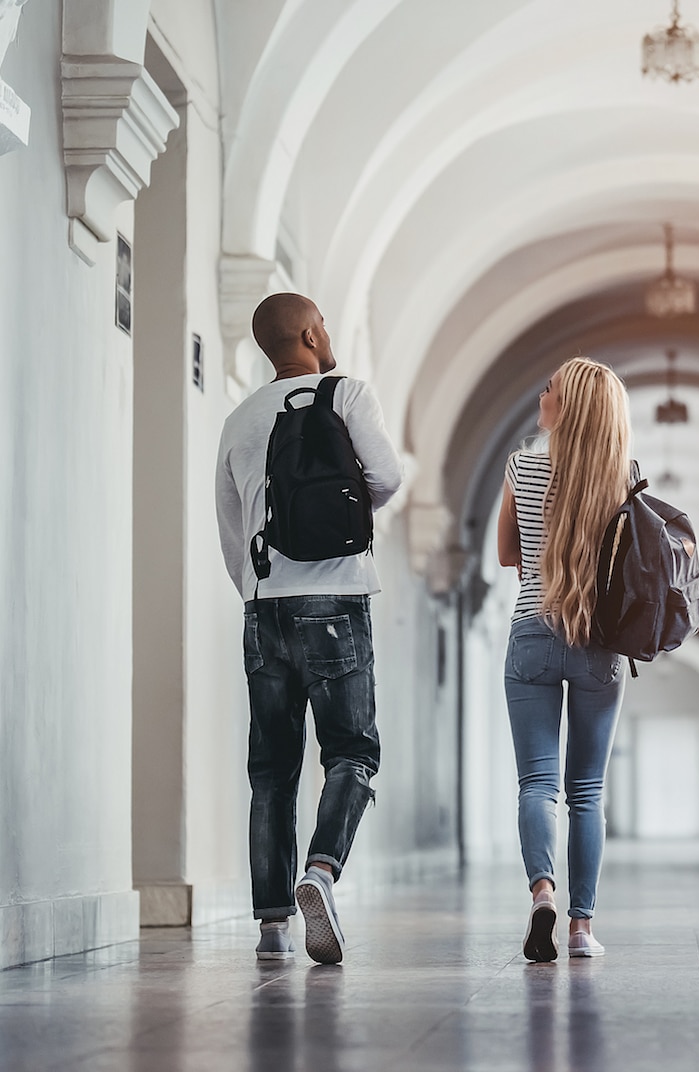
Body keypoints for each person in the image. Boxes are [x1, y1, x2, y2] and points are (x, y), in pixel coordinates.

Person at [215, 293, 403, 964]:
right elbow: (386, 476)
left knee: (271, 768)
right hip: (337, 597)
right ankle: (319, 871)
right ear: (309, 331)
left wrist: (262, 588)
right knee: (351, 751)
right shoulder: (345, 394)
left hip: (263, 605)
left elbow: (231, 530)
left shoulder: (238, 417)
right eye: (321, 322)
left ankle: (271, 925)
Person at [497, 356, 631, 962]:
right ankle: (581, 928)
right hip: (598, 643)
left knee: (537, 784)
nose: (540, 393)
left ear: (566, 407)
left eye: (548, 388)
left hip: (532, 633)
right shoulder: (622, 477)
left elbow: (507, 555)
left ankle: (542, 894)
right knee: (587, 792)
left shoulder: (521, 466)